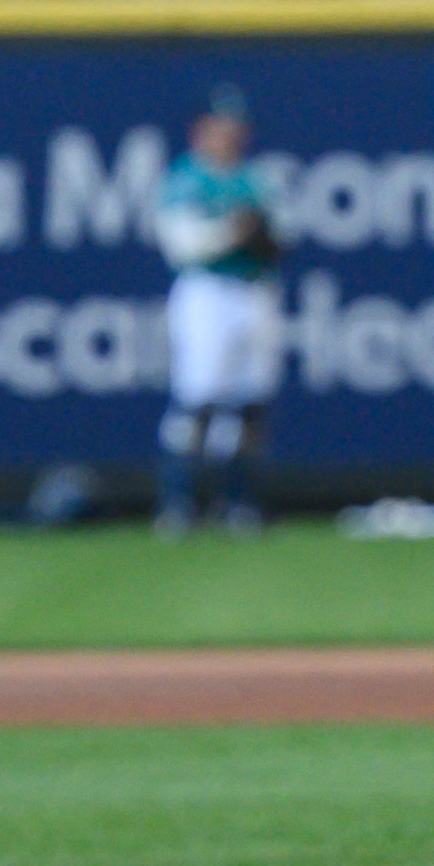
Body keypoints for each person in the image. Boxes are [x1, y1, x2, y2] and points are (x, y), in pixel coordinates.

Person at [150, 91, 274, 534]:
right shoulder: (185, 180)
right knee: (197, 398)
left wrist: (262, 238)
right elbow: (182, 246)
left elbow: (274, 238)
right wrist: (231, 231)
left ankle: (239, 503)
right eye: (220, 125)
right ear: (200, 129)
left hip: (252, 288)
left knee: (249, 401)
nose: (229, 134)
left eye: (235, 126)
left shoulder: (254, 178)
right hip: (206, 291)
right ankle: (179, 503)